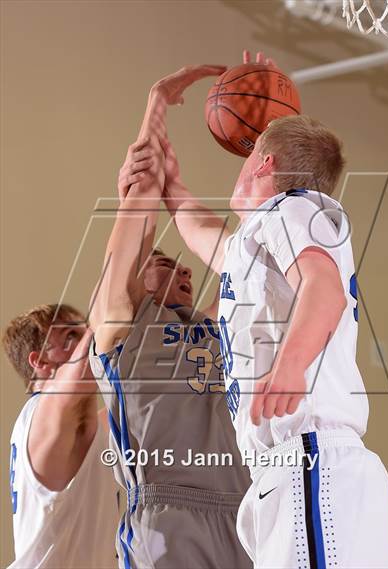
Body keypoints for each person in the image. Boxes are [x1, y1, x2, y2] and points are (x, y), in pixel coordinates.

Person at [159, 51, 388, 568]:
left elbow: (324, 286)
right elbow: (205, 237)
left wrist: (290, 364)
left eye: (251, 154)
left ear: (265, 163)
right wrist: (170, 182)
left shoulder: (291, 207)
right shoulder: (260, 242)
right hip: (292, 470)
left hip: (311, 461)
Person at [88, 65, 251, 569]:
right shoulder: (121, 326)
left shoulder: (213, 327)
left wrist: (262, 134)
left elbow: (247, 256)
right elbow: (138, 206)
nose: (183, 270)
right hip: (169, 519)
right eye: (163, 262)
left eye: (185, 267)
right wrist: (155, 104)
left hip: (248, 512)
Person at [3, 303, 120, 568]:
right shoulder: (44, 410)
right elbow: (106, 324)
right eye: (70, 336)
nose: (83, 341)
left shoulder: (87, 430)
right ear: (41, 362)